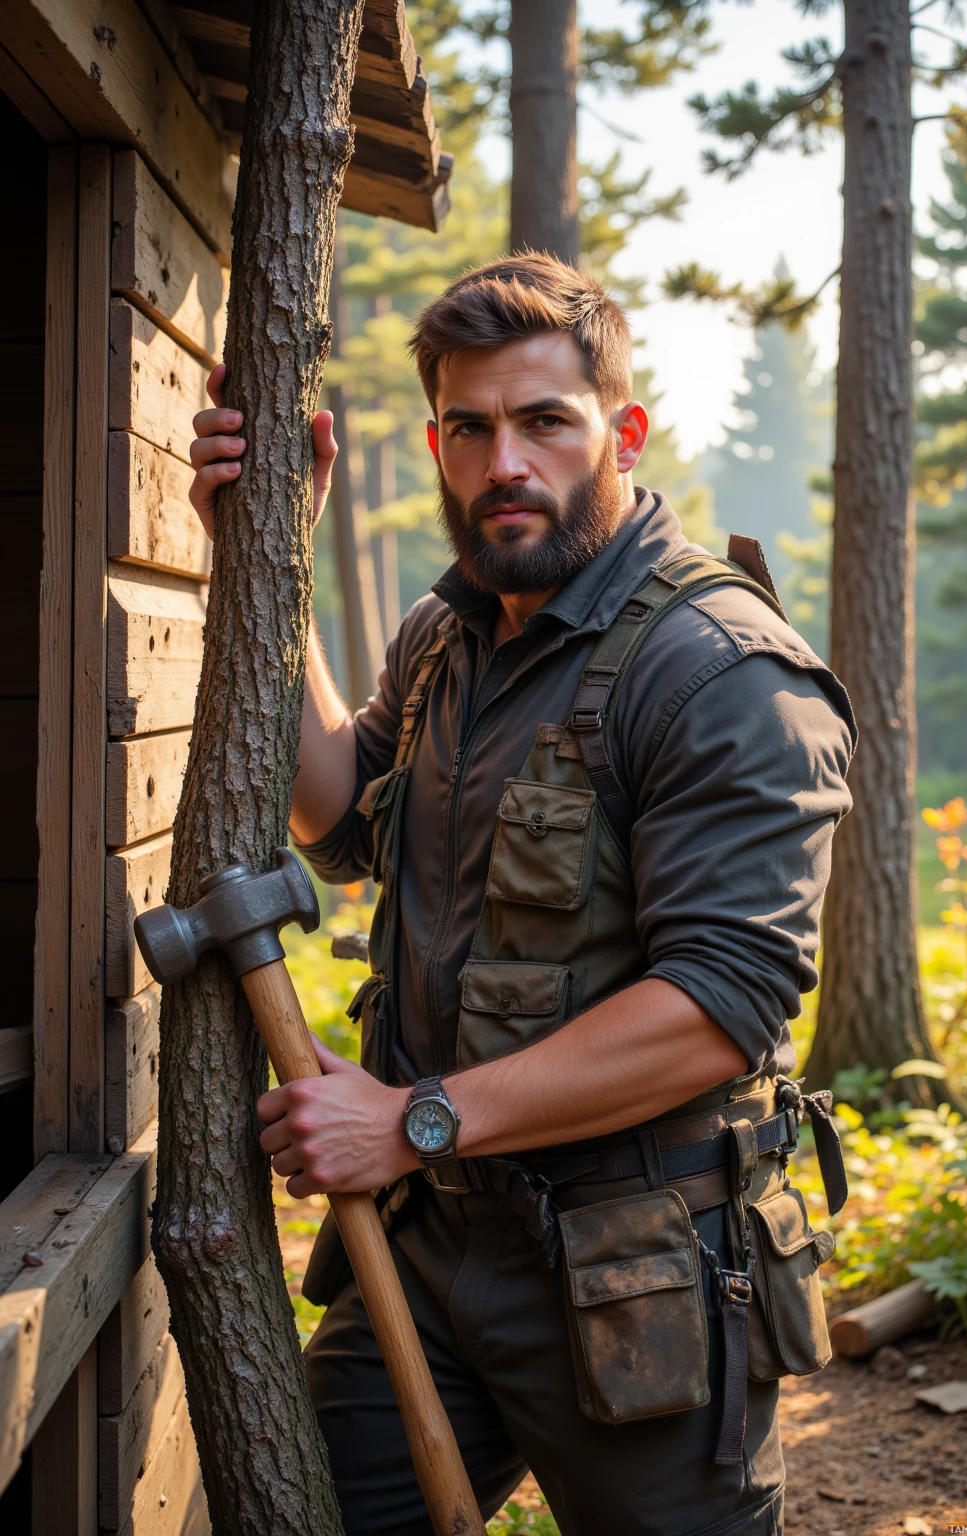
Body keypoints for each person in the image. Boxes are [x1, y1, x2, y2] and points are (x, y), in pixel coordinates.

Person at [188, 254, 855, 1536]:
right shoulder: (451, 637)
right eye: (471, 427)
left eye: (545, 421)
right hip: (432, 1260)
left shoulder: (717, 670)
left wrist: (414, 1122)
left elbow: (722, 1004)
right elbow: (337, 813)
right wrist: (263, 556)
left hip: (637, 1272)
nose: (507, 462)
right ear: (438, 442)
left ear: (622, 431)